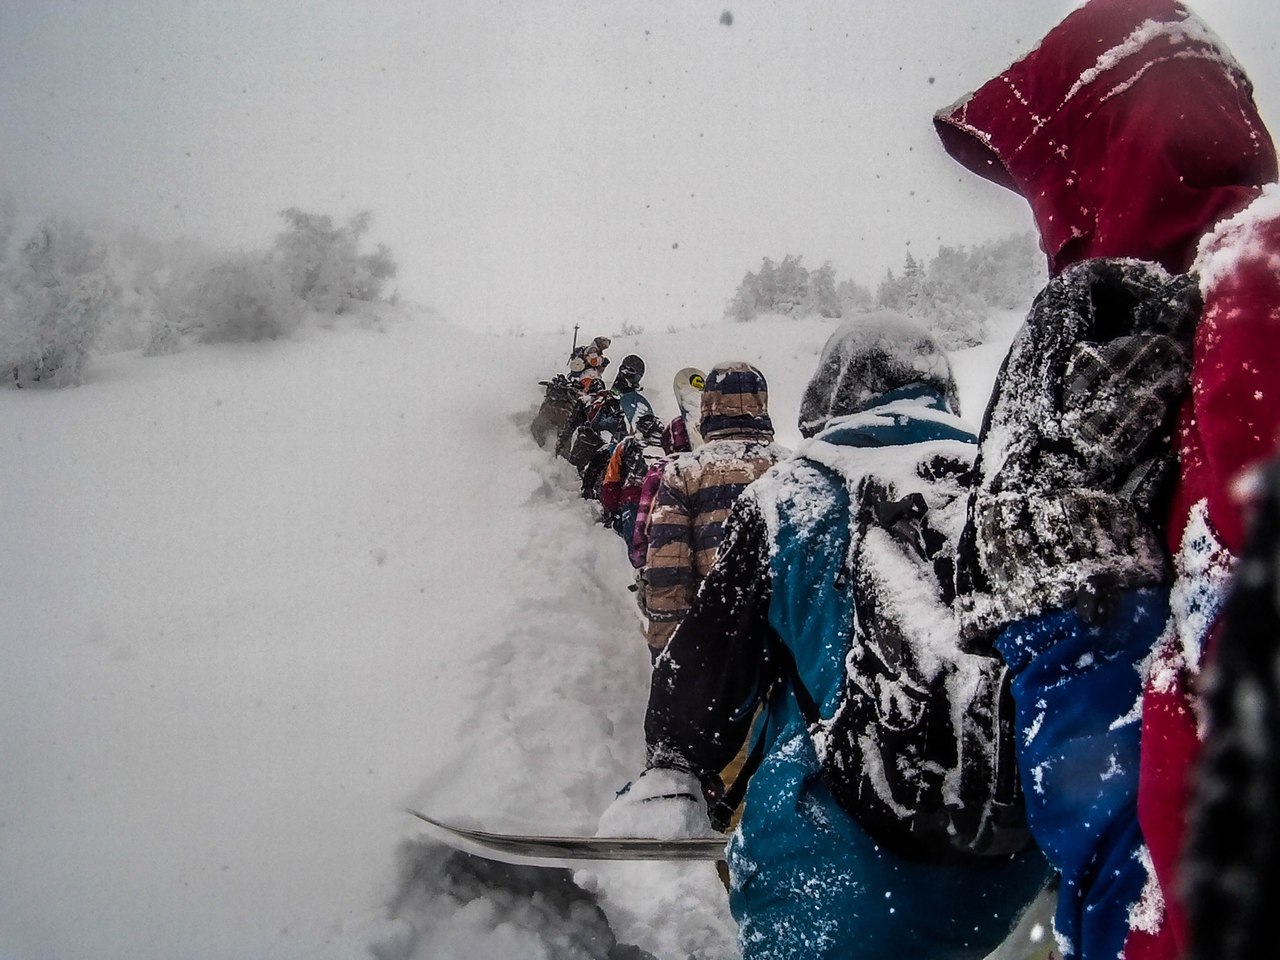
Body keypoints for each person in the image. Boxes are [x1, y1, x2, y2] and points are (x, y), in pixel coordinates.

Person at [933, 1, 1280, 957]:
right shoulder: (1193, 334)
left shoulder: (1252, 308)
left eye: (1054, 185)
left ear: (1104, 166)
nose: (1052, 229)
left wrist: (1064, 631)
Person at [602, 316, 1049, 960]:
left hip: (837, 871)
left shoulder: (790, 498)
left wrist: (673, 766)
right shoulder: (1003, 489)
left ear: (829, 395)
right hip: (1009, 875)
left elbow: (709, 667)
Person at [640, 361, 786, 656]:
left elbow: (669, 570)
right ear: (762, 403)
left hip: (717, 637)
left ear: (708, 405)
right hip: (786, 640)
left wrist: (667, 652)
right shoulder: (792, 467)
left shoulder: (685, 473)